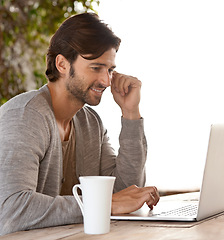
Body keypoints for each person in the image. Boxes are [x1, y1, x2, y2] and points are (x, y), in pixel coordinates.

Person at [0, 13, 159, 236]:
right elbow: (12, 210)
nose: (106, 81)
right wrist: (102, 205)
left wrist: (130, 113)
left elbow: (125, 193)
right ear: (62, 64)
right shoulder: (25, 117)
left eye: (110, 70)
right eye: (96, 68)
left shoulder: (90, 123)